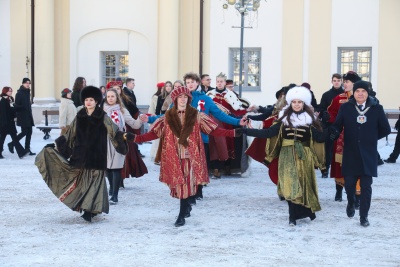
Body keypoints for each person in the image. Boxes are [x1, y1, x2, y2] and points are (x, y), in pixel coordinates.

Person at [132, 86, 240, 227]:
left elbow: (214, 130)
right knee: (179, 184)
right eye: (180, 97)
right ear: (175, 99)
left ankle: (181, 215)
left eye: (185, 97)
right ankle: (187, 206)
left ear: (189, 99)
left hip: (191, 155)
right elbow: (154, 133)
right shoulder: (168, 117)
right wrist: (135, 138)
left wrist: (232, 133)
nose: (183, 99)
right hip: (173, 155)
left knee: (187, 184)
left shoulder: (197, 115)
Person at [35, 86, 134, 222]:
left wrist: (124, 136)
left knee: (95, 183)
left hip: (97, 155)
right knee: (83, 183)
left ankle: (90, 211)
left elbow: (114, 131)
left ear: (96, 101)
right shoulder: (80, 115)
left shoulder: (102, 116)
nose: (88, 102)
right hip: (80, 155)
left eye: (91, 100)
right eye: (86, 99)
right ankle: (86, 208)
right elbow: (70, 134)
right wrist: (57, 145)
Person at [142, 72, 246, 201]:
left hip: (202, 138)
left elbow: (219, 114)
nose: (190, 84)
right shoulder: (179, 98)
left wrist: (237, 122)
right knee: (185, 167)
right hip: (182, 140)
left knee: (200, 166)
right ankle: (188, 193)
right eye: (187, 82)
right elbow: (166, 116)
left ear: (198, 83)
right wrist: (150, 119)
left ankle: (198, 190)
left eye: (192, 82)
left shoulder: (206, 98)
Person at [239, 86, 326, 226]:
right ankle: (292, 216)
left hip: (304, 157)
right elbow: (268, 133)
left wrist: (330, 128)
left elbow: (321, 138)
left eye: (300, 102)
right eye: (294, 102)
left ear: (304, 104)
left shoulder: (310, 120)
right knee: (289, 184)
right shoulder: (283, 119)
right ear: (290, 103)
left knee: (303, 184)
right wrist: (247, 132)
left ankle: (306, 211)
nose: (297, 104)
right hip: (286, 156)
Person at [330, 80, 391, 227]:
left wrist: (371, 138)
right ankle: (351, 203)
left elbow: (386, 129)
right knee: (349, 184)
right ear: (354, 93)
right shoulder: (346, 108)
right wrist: (334, 132)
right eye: (358, 91)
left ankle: (364, 216)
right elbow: (338, 125)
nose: (360, 93)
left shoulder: (376, 108)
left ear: (367, 92)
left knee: (366, 186)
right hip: (350, 152)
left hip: (368, 154)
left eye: (363, 91)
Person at [103, 89, 143, 204]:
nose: (110, 98)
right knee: (108, 168)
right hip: (105, 141)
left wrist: (141, 119)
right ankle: (111, 188)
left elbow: (134, 124)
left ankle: (114, 195)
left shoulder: (122, 110)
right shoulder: (102, 111)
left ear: (117, 98)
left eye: (112, 96)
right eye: (108, 96)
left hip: (119, 141)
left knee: (116, 167)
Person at [327, 71, 360, 203]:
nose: (344, 84)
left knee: (357, 165)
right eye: (344, 81)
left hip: (357, 137)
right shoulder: (338, 98)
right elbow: (332, 113)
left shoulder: (362, 98)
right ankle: (339, 191)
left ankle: (357, 195)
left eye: (347, 82)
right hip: (341, 136)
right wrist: (329, 118)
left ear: (354, 84)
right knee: (339, 164)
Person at [206, 72, 247, 177]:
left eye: (221, 81)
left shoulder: (230, 94)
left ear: (225, 83)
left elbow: (237, 110)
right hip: (214, 123)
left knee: (228, 145)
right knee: (215, 145)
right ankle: (216, 168)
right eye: (218, 81)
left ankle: (228, 166)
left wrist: (245, 112)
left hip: (227, 123)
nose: (219, 83)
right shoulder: (210, 94)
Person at [318, 73, 343, 178]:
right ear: (332, 81)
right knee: (328, 148)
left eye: (338, 80)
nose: (336, 82)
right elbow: (321, 108)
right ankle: (326, 169)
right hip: (328, 125)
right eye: (335, 80)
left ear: (341, 81)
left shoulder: (345, 94)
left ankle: (341, 170)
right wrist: (324, 114)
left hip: (342, 126)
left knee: (341, 149)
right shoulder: (326, 95)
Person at [10, 78, 35, 156]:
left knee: (29, 132)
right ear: (23, 84)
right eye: (26, 83)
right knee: (24, 132)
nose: (28, 84)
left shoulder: (27, 92)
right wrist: (22, 108)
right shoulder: (19, 93)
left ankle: (27, 149)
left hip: (28, 116)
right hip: (23, 116)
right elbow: (16, 106)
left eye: (29, 83)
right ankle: (12, 143)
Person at [0, 87, 28, 159]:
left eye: (11, 91)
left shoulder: (10, 99)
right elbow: (3, 113)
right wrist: (4, 123)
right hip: (5, 123)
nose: (11, 92)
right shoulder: (3, 100)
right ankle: (21, 152)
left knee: (14, 138)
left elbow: (13, 109)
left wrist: (18, 109)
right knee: (2, 138)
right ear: (5, 92)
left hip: (10, 122)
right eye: (9, 91)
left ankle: (21, 152)